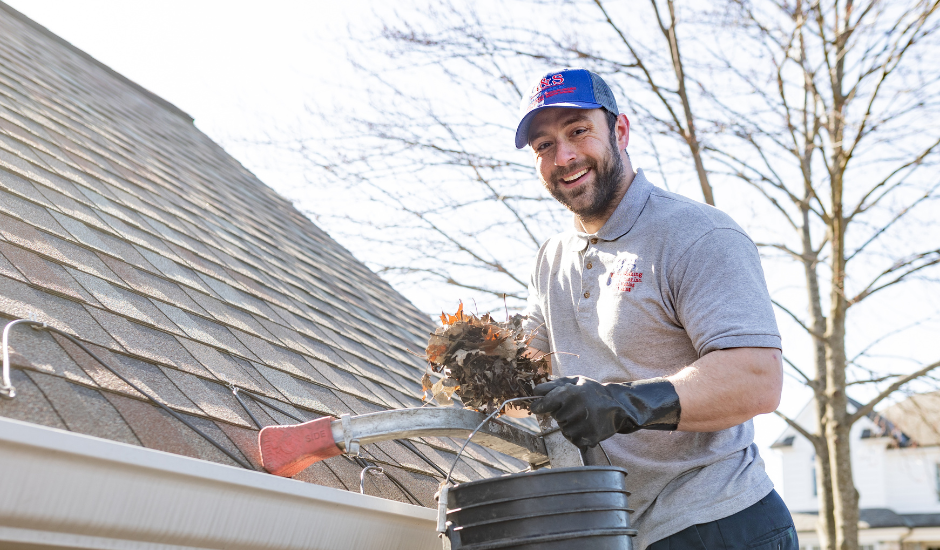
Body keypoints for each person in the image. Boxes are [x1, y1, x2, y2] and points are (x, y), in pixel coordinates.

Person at [516, 68, 798, 550]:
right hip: (617, 532)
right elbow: (528, 366)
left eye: (578, 131)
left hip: (720, 523)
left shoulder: (697, 234)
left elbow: (757, 379)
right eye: (544, 146)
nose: (563, 157)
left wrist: (621, 403)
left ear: (620, 131)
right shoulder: (551, 259)